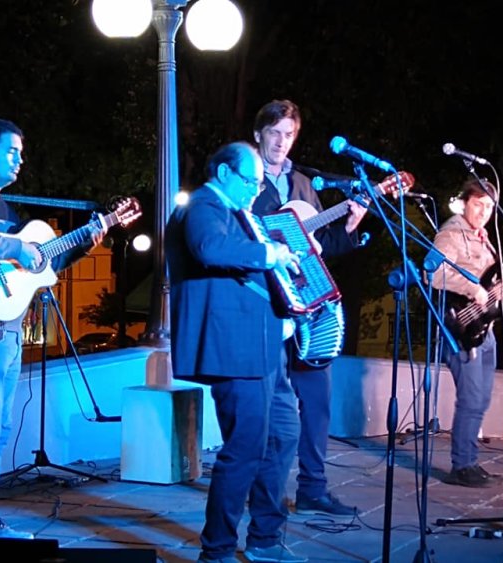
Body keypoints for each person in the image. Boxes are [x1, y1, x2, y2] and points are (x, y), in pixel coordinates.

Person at [0, 117, 105, 538]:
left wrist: (85, 241)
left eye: (20, 152)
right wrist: (17, 246)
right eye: (11, 151)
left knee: (0, 430)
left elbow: (39, 268)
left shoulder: (4, 208)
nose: (20, 159)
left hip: (7, 329)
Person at [166, 141, 306, 563]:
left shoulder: (237, 211)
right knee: (244, 448)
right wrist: (272, 253)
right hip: (234, 349)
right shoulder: (204, 205)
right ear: (224, 173)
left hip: (263, 345)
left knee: (283, 434)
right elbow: (210, 249)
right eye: (250, 181)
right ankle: (218, 550)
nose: (255, 191)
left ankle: (264, 539)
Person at [250, 99, 366, 516]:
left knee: (317, 399)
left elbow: (317, 248)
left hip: (307, 302)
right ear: (259, 134)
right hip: (264, 304)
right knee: (268, 406)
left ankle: (314, 488)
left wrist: (350, 228)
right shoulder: (246, 180)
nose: (282, 142)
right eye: (275, 133)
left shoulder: (304, 184)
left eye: (289, 134)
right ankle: (263, 490)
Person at [430, 179, 503, 488]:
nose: (483, 211)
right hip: (460, 328)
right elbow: (435, 273)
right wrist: (471, 288)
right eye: (478, 204)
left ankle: (470, 460)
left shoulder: (485, 239)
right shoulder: (452, 234)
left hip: (485, 328)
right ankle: (461, 465)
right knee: (471, 397)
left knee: (482, 398)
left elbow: (494, 292)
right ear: (465, 202)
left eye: (489, 207)